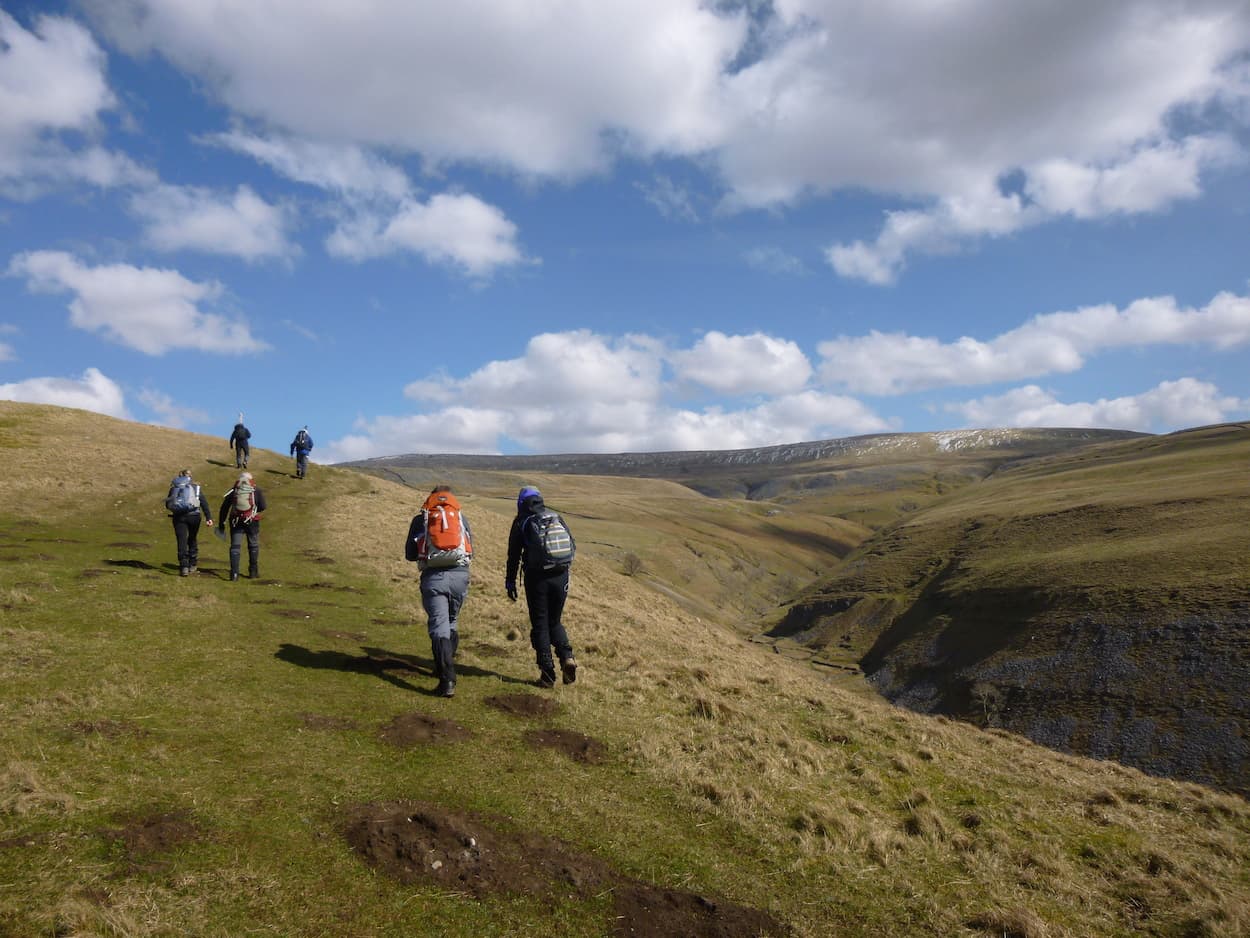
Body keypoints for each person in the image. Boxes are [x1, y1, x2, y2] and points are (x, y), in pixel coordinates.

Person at [404, 485, 474, 698]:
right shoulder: (461, 518)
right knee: (451, 621)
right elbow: (471, 548)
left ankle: (447, 678)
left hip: (434, 578)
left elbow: (410, 554)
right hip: (460, 576)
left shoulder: (421, 519)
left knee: (438, 625)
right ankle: (444, 665)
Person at [505, 486, 578, 688]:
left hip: (537, 578)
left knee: (540, 623)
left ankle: (547, 675)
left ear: (521, 503)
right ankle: (567, 656)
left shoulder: (521, 522)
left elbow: (513, 555)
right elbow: (572, 544)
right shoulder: (555, 516)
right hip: (561, 575)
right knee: (554, 621)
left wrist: (510, 582)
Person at [218, 471, 267, 581]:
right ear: (251, 479)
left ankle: (234, 574)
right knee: (253, 545)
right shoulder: (255, 489)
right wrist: (253, 511)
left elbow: (224, 507)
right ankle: (253, 572)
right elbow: (263, 506)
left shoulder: (234, 490)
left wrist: (222, 523)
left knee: (235, 546)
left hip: (236, 521)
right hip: (252, 520)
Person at [164, 468, 213, 577]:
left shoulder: (174, 488)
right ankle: (193, 563)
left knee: (181, 540)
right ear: (190, 477)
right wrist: (208, 517)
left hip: (179, 517)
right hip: (194, 517)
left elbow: (168, 504)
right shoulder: (196, 488)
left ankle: (184, 566)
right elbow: (203, 503)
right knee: (192, 538)